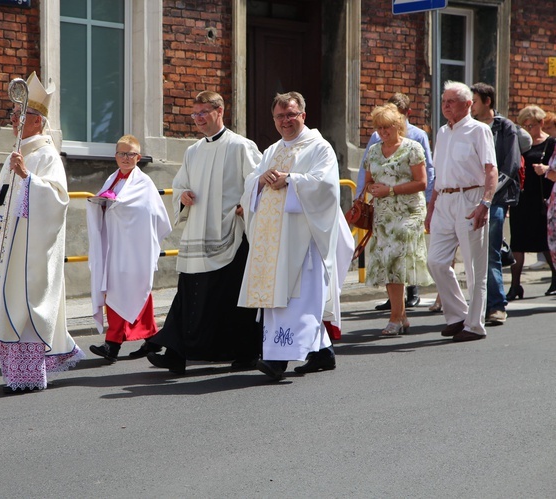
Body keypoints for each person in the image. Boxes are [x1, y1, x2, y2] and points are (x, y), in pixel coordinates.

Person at [0, 73, 84, 394]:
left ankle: (31, 375)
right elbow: (9, 202)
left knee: (25, 300)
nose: (15, 119)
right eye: (14, 114)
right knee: (6, 303)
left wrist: (28, 177)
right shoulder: (15, 154)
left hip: (31, 252)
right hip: (9, 248)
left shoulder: (46, 155)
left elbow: (58, 199)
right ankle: (14, 374)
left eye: (22, 115)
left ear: (38, 123)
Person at [238, 91, 353, 381]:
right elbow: (252, 181)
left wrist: (290, 180)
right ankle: (322, 353)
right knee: (279, 297)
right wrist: (259, 181)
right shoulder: (272, 150)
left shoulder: (319, 148)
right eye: (280, 116)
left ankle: (279, 360)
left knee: (298, 300)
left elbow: (326, 188)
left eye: (291, 114)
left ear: (303, 115)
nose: (285, 120)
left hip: (303, 240)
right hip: (273, 241)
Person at [146, 90, 263, 374]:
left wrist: (245, 206)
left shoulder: (241, 146)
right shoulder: (193, 151)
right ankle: (176, 353)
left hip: (230, 234)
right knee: (188, 293)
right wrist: (183, 195)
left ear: (219, 111)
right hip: (199, 232)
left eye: (203, 113)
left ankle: (245, 353)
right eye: (194, 114)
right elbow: (180, 184)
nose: (197, 119)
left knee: (232, 299)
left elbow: (257, 183)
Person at [86, 134, 172, 363]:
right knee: (129, 291)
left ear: (138, 157)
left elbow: (150, 213)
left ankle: (112, 346)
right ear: (115, 156)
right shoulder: (112, 179)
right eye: (121, 154)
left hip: (134, 247)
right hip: (114, 246)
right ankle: (152, 338)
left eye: (130, 154)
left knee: (129, 290)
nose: (125, 158)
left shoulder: (144, 183)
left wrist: (120, 208)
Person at [425, 81, 498, 342]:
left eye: (451, 101)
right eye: (444, 101)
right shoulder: (443, 132)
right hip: (444, 200)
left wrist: (485, 203)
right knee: (435, 261)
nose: (445, 105)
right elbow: (439, 174)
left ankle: (475, 325)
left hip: (470, 198)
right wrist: (431, 208)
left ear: (468, 104)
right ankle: (457, 315)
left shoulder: (479, 131)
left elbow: (491, 170)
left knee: (474, 266)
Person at [355, 92, 435, 311]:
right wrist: (370, 189)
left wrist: (390, 190)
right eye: (379, 128)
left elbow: (422, 181)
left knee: (396, 258)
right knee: (387, 260)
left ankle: (397, 316)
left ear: (398, 125)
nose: (382, 132)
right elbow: (369, 181)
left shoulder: (413, 147)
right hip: (383, 213)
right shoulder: (373, 150)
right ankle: (399, 314)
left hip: (408, 211)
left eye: (386, 128)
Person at [470, 82, 531, 325]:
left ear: (487, 101)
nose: (471, 106)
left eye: (474, 101)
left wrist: (490, 193)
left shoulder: (504, 127)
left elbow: (511, 165)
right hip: (469, 197)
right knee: (476, 253)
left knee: (489, 251)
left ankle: (496, 306)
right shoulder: (468, 127)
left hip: (496, 198)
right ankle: (478, 306)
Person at [508, 105, 556, 298]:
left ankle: (555, 277)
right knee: (517, 242)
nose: (528, 130)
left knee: (544, 241)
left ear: (541, 123)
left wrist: (544, 168)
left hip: (542, 197)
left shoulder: (550, 143)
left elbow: (552, 167)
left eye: (532, 125)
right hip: (522, 197)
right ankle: (515, 285)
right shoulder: (520, 143)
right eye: (524, 126)